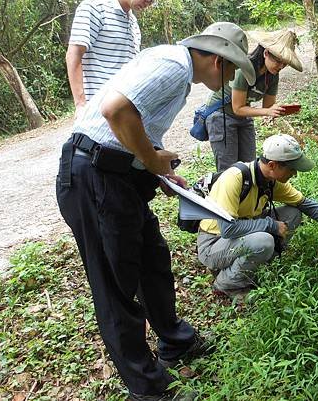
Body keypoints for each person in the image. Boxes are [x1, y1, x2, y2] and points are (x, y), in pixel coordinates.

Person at [56, 22, 255, 401]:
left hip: (119, 178)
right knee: (115, 287)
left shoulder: (175, 71)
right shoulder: (174, 63)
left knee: (153, 263)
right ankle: (148, 389)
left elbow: (137, 129)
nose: (230, 81)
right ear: (217, 60)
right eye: (231, 71)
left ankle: (174, 341)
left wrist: (164, 175)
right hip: (93, 176)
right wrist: (150, 160)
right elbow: (115, 111)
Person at [197, 134, 318, 300]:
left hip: (242, 234)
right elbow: (228, 229)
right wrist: (271, 225)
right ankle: (226, 284)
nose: (295, 174)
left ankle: (252, 267)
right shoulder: (234, 179)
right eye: (291, 168)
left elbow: (306, 204)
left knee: (293, 214)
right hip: (213, 244)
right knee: (263, 241)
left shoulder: (270, 181)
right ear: (273, 165)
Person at [66, 0, 170, 117]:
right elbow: (74, 54)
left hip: (123, 111)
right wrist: (81, 105)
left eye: (153, 0)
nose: (148, 3)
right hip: (98, 110)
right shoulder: (95, 7)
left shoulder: (133, 22)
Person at [206, 29, 303, 171]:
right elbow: (237, 108)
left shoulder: (273, 76)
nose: (281, 66)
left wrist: (277, 110)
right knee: (228, 169)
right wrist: (268, 111)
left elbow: (268, 107)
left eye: (285, 63)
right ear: (266, 53)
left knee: (249, 166)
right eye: (278, 61)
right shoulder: (244, 68)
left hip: (244, 116)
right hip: (221, 115)